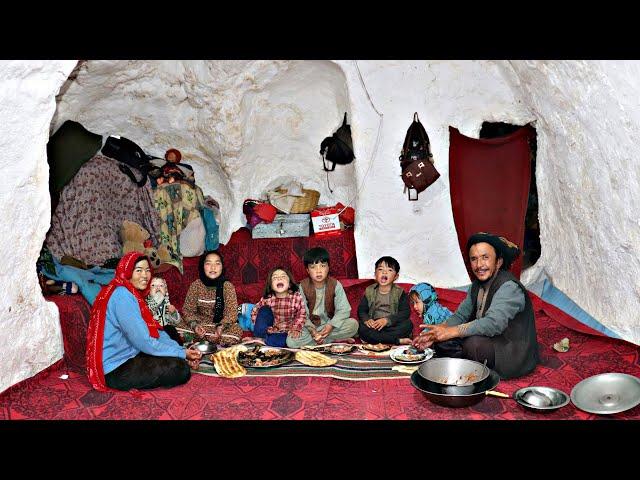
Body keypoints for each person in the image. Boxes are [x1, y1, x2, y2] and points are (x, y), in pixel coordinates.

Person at [413, 232, 539, 379]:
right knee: (443, 341)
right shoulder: (476, 286)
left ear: (498, 262)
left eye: (485, 258)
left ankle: (478, 370)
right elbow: (460, 316)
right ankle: (466, 364)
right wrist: (437, 333)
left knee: (473, 346)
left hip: (510, 349)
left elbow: (493, 324)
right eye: (474, 259)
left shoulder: (508, 287)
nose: (479, 265)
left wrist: (452, 332)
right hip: (487, 338)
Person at [86, 252, 202, 392]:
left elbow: (154, 331)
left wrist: (181, 351)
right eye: (138, 270)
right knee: (180, 369)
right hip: (116, 369)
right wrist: (182, 354)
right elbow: (144, 341)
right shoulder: (122, 296)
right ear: (127, 272)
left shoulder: (131, 292)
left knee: (169, 330)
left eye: (147, 270)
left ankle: (178, 355)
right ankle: (180, 360)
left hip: (132, 351)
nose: (145, 275)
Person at [288, 247, 359, 347]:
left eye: (322, 266)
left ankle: (321, 340)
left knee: (353, 325)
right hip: (309, 327)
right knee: (291, 341)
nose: (318, 271)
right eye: (313, 267)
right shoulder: (302, 287)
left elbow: (344, 310)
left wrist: (331, 325)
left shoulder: (335, 284)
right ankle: (330, 340)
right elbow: (301, 313)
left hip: (330, 325)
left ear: (328, 267)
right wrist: (312, 331)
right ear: (307, 270)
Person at [181, 250, 243, 347]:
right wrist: (195, 326)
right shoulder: (196, 285)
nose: (213, 267)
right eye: (208, 263)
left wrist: (220, 328)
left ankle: (200, 341)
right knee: (175, 329)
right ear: (203, 266)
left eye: (217, 263)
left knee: (235, 334)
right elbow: (188, 310)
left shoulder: (227, 286)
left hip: (221, 326)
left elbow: (231, 313)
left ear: (222, 267)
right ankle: (208, 339)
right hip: (200, 324)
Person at [357, 256, 412, 345]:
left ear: (396, 276)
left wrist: (387, 320)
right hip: (375, 325)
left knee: (408, 324)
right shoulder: (369, 291)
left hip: (391, 325)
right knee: (361, 327)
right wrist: (367, 319)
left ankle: (375, 339)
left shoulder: (400, 292)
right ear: (375, 274)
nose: (384, 272)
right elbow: (362, 310)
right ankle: (397, 340)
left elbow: (405, 312)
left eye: (390, 270)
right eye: (380, 269)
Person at [250, 267, 306, 347]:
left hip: (287, 332)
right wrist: (264, 327)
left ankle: (264, 340)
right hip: (269, 329)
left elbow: (302, 314)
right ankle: (261, 336)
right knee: (264, 310)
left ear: (290, 284)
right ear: (271, 285)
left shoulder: (296, 297)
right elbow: (255, 311)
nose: (279, 278)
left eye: (283, 276)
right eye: (275, 277)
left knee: (285, 341)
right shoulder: (268, 298)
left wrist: (296, 328)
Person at [146, 277, 183, 345]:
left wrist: (173, 313)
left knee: (175, 337)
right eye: (153, 285)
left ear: (166, 290)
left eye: (161, 285)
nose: (157, 287)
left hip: (167, 328)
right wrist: (159, 298)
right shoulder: (146, 302)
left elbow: (176, 322)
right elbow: (149, 312)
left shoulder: (166, 303)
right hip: (153, 330)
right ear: (148, 289)